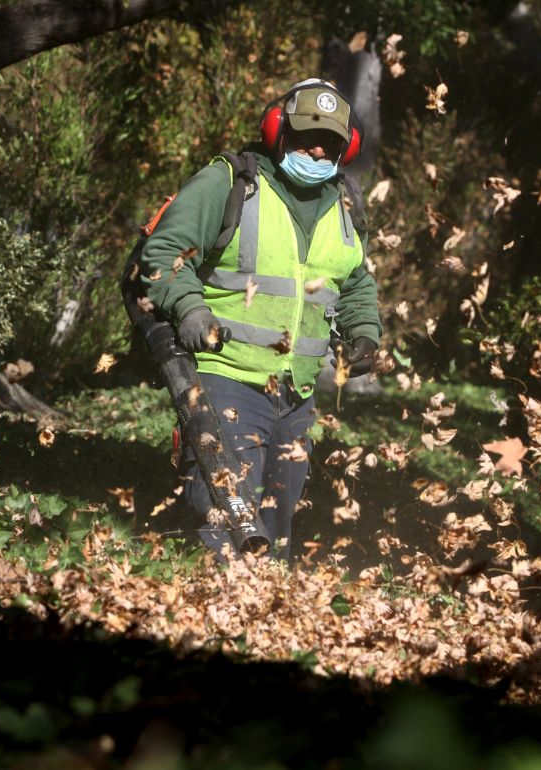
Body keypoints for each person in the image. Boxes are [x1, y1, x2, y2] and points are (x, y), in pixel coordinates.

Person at [138, 78, 382, 560]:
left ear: (347, 147)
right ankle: (210, 620)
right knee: (226, 520)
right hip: (225, 378)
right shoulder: (231, 183)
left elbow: (355, 283)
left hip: (296, 395)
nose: (316, 149)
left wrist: (364, 333)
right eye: (307, 135)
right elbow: (165, 252)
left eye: (330, 141)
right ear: (277, 130)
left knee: (275, 528)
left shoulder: (347, 203)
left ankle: (265, 623)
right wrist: (190, 307)